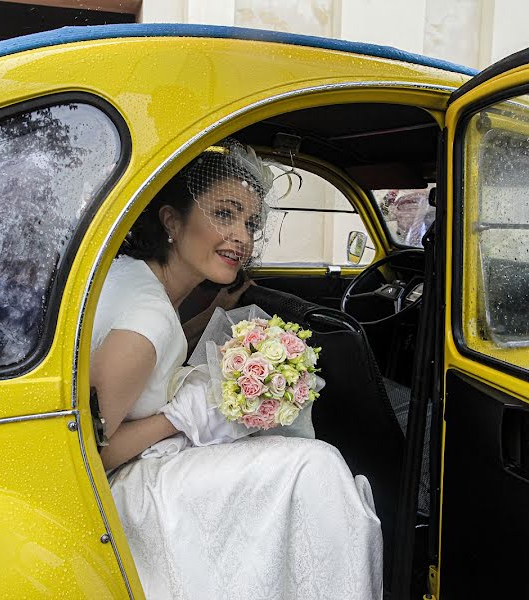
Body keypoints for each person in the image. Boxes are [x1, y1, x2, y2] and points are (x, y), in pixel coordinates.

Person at [90, 140, 382, 599]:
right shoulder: (145, 326)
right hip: (122, 494)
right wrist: (180, 417)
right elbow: (83, 454)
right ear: (171, 221)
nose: (243, 237)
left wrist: (210, 318)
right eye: (224, 215)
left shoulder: (135, 276)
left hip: (138, 466)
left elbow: (156, 357)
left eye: (249, 222)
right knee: (316, 466)